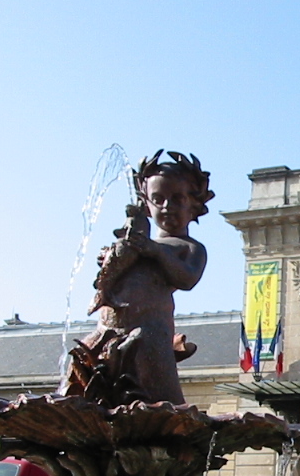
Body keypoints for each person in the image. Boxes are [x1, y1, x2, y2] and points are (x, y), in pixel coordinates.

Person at [64, 151, 212, 405]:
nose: (167, 206)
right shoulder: (138, 243)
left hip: (150, 329)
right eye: (158, 199)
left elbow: (187, 278)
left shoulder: (189, 247)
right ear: (146, 204)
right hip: (108, 330)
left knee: (157, 392)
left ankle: (168, 418)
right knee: (81, 362)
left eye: (177, 199)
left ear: (194, 204)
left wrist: (156, 251)